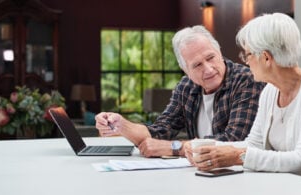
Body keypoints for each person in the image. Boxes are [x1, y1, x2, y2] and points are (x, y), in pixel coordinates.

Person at [188, 13, 301, 185]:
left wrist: (239, 157)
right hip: (287, 190)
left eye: (247, 55)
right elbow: (254, 144)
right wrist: (210, 148)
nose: (246, 62)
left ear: (266, 57)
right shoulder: (270, 92)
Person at [95, 25, 265, 158]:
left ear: (219, 52)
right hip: (201, 174)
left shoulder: (247, 80)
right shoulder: (186, 86)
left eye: (210, 57)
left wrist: (176, 148)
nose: (208, 69)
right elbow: (160, 131)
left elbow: (233, 141)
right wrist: (121, 126)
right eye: (197, 65)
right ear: (185, 70)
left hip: (237, 176)